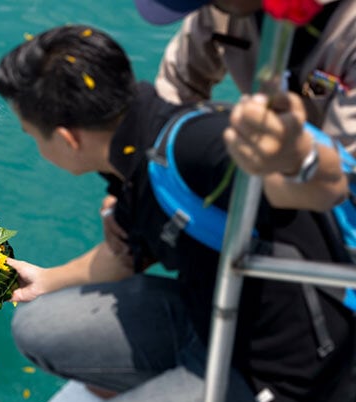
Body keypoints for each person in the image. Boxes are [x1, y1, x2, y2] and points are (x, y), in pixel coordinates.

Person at [0, 24, 355, 402]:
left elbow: (302, 188)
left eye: (33, 136)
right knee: (36, 326)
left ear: (69, 139)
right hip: (212, 319)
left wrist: (299, 159)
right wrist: (44, 279)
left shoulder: (197, 147)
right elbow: (123, 253)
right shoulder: (137, 143)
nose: (37, 148)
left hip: (284, 382)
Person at [100, 0, 356, 263]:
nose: (208, 9)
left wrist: (294, 164)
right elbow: (177, 89)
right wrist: (131, 186)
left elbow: (344, 172)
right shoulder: (220, 9)